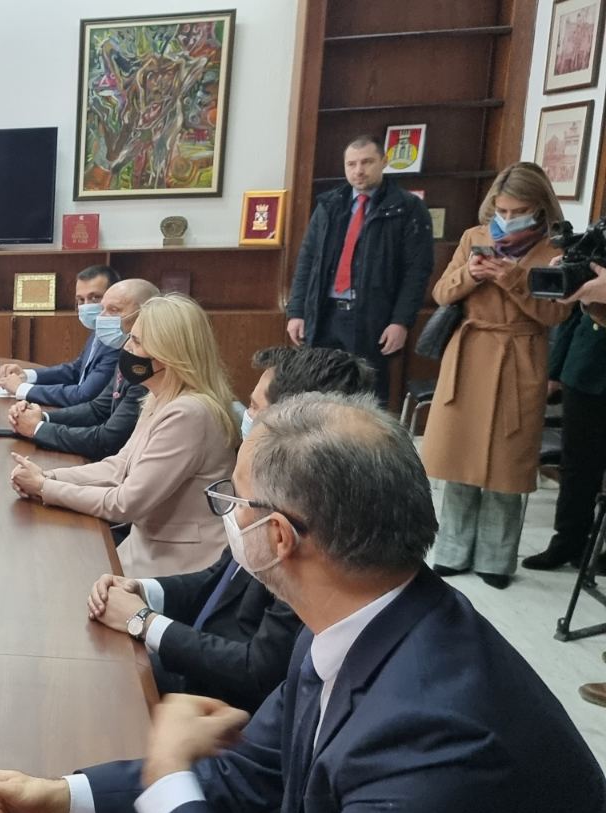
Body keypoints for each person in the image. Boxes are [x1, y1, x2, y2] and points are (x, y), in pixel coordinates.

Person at [0, 393, 606, 813]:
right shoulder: (358, 616)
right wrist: (62, 796)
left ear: (277, 538)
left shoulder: (438, 743)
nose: (226, 516)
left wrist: (168, 768)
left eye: (231, 501)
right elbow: (251, 772)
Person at [82, 345, 375, 712]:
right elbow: (218, 579)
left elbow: (258, 670)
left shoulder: (311, 532)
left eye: (253, 406)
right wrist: (142, 590)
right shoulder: (266, 488)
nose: (244, 416)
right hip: (196, 661)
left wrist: (143, 622)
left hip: (218, 705)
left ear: (293, 425)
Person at [9, 294, 238, 577]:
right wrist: (49, 476)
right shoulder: (160, 397)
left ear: (168, 354)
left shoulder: (189, 414)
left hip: (177, 565)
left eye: (137, 342)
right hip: (144, 547)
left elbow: (125, 503)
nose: (126, 347)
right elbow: (119, 466)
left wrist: (45, 488)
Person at [422, 163, 574, 589]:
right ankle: (451, 551)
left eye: (519, 211)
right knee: (459, 457)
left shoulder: (555, 249)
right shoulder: (475, 236)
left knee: (509, 465)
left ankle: (496, 559)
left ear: (539, 207)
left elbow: (556, 314)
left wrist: (513, 280)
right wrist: (470, 274)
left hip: (520, 357)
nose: (508, 219)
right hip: (469, 354)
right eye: (503, 209)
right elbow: (441, 292)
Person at [287, 134, 434, 404]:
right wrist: (296, 311)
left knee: (365, 397)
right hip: (325, 313)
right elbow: (307, 259)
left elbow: (416, 272)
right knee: (318, 392)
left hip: (371, 317)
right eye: (351, 164)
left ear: (384, 162)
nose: (359, 171)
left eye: (367, 162)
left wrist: (400, 321)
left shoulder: (407, 208)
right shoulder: (329, 205)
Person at [6, 278, 159, 457]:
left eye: (113, 310)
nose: (101, 317)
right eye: (102, 309)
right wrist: (42, 417)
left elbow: (106, 441)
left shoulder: (148, 370)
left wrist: (37, 428)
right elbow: (97, 409)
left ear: (147, 315)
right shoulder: (128, 352)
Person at [526, 263, 606, 571]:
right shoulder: (596, 247)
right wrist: (555, 371)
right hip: (585, 366)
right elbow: (571, 315)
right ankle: (568, 542)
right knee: (576, 464)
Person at [0, 265, 121, 406]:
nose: (86, 306)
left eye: (95, 298)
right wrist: (27, 375)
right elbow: (76, 370)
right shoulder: (98, 330)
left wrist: (22, 388)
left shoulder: (116, 340)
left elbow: (83, 395)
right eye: (81, 300)